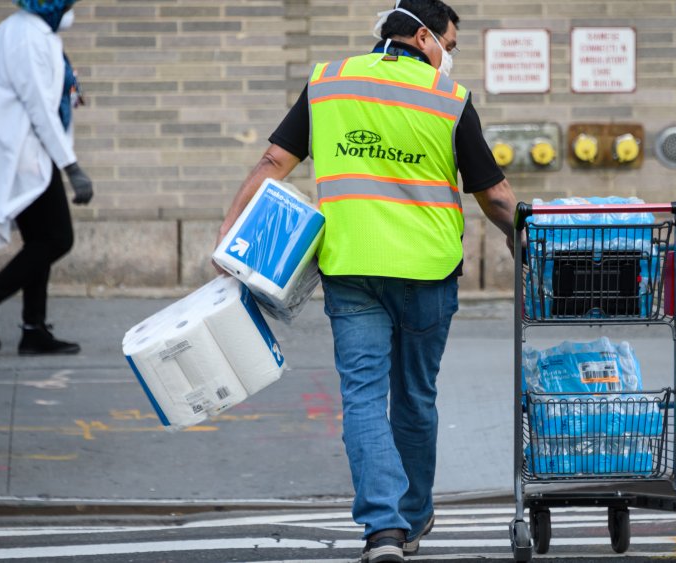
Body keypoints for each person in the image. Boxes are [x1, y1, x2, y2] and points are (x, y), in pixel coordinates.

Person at [214, 1, 517, 560]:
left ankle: (383, 531)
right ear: (422, 37)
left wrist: (228, 236)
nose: (447, 59)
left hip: (352, 268)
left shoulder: (327, 82)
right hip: (427, 271)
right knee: (415, 398)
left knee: (362, 398)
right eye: (447, 47)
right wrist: (523, 241)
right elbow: (494, 196)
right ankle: (416, 514)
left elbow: (271, 165)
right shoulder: (450, 100)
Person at [0, 0, 93, 356]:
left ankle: (34, 330)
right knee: (57, 239)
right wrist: (72, 167)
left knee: (40, 240)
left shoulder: (27, 31)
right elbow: (39, 108)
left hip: (29, 152)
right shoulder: (25, 36)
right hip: (26, 154)